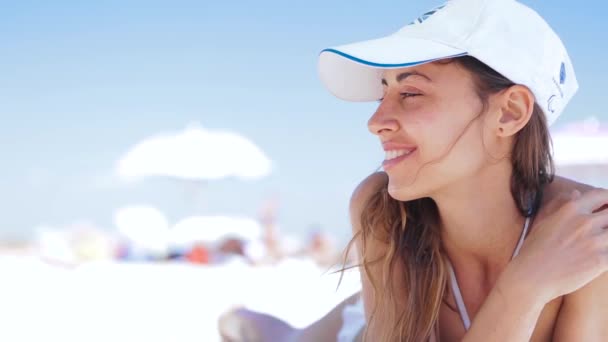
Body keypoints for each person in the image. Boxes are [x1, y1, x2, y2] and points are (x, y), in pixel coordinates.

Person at [316, 0, 608, 341]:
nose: (375, 122)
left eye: (410, 92)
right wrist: (524, 288)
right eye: (383, 95)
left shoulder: (590, 231)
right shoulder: (382, 208)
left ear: (509, 113)